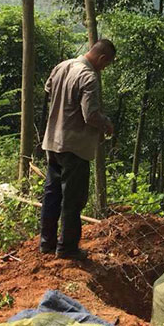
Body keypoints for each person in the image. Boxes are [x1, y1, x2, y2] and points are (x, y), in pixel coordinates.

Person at [39, 39, 116, 260]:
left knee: (52, 194)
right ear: (102, 59)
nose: (104, 69)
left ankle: (47, 244)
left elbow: (48, 90)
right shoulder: (88, 77)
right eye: (106, 64)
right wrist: (106, 124)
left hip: (52, 142)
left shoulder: (62, 66)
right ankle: (67, 249)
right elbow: (90, 115)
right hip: (74, 146)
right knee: (73, 199)